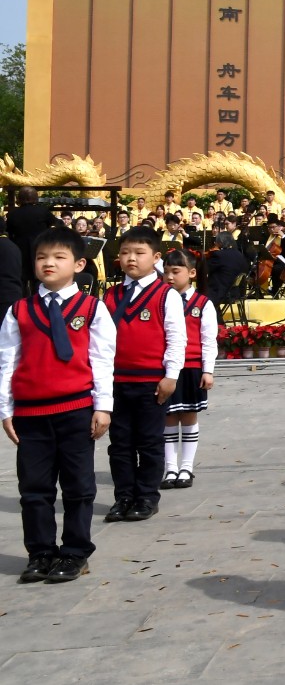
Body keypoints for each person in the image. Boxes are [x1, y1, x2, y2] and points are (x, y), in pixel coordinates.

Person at [0, 226, 117, 583]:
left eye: (58, 257)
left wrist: (104, 406)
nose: (48, 263)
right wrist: (5, 409)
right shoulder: (19, 310)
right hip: (31, 413)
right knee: (34, 488)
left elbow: (101, 359)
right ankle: (40, 553)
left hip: (76, 408)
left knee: (79, 487)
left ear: (79, 264)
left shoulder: (91, 308)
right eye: (41, 257)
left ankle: (76, 552)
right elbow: (8, 359)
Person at [103, 226, 184, 523]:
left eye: (139, 253)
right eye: (125, 253)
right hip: (116, 380)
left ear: (156, 257)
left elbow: (176, 337)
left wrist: (171, 375)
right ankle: (123, 496)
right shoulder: (111, 295)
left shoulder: (166, 295)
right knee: (120, 443)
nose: (131, 259)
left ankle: (147, 496)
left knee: (149, 441)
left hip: (151, 381)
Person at [158, 250, 216, 492]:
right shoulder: (160, 301)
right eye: (166, 272)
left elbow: (208, 339)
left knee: (189, 416)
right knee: (168, 418)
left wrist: (208, 370)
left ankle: (186, 466)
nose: (169, 277)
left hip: (192, 367)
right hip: (168, 369)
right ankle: (170, 467)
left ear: (191, 273)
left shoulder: (202, 304)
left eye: (175, 272)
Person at [6, 187, 59, 286]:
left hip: (20, 251)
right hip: (40, 250)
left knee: (21, 281)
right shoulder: (43, 212)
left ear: (19, 198)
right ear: (35, 197)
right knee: (40, 280)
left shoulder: (12, 214)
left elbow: (9, 232)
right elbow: (56, 223)